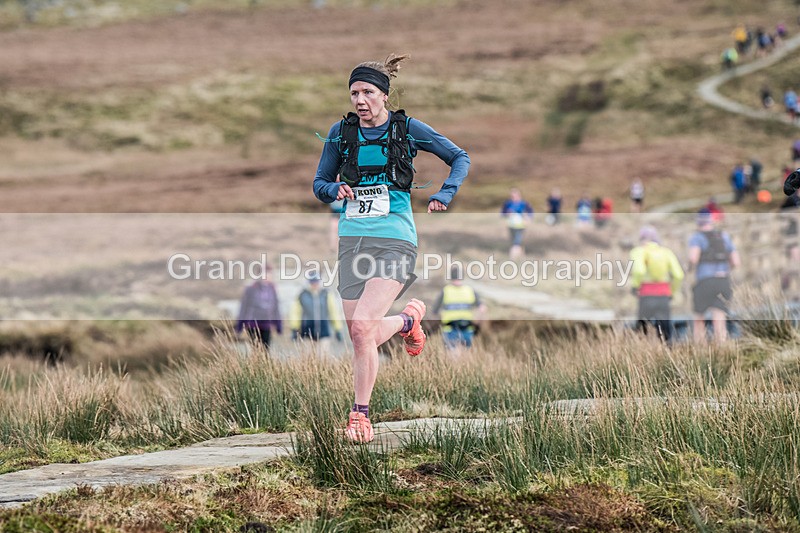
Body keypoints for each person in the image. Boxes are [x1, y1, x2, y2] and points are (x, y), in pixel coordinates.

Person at [313, 53, 470, 443]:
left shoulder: (408, 129)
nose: (360, 100)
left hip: (396, 239)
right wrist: (335, 189)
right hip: (352, 239)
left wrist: (445, 193)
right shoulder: (340, 133)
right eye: (354, 93)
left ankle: (360, 416)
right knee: (358, 333)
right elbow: (319, 183)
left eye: (367, 92)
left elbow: (459, 158)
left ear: (384, 94)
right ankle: (406, 322)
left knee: (364, 326)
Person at [687, 209, 740, 343]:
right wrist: (725, 269)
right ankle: (721, 346)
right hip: (723, 280)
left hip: (705, 281)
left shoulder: (697, 237)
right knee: (719, 316)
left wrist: (688, 268)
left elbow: (693, 258)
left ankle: (700, 347)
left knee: (699, 317)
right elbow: (736, 261)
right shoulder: (723, 236)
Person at [629, 226, 684, 343]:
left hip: (646, 295)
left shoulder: (639, 251)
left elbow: (639, 270)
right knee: (665, 331)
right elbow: (679, 275)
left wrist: (635, 287)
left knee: (643, 331)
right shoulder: (666, 252)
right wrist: (672, 292)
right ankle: (668, 353)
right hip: (664, 295)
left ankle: (642, 354)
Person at [432, 265, 487, 351]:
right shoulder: (446, 291)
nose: (457, 280)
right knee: (452, 355)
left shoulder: (470, 290)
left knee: (465, 356)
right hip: (450, 330)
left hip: (467, 330)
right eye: (455, 278)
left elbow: (482, 307)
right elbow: (434, 310)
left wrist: (478, 320)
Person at [289, 274, 344, 355]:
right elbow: (295, 312)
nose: (314, 284)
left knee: (323, 358)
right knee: (308, 358)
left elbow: (334, 312)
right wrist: (294, 328)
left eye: (316, 282)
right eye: (312, 282)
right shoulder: (302, 295)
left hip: (324, 332)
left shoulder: (326, 294)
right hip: (307, 333)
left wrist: (337, 329)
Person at [235, 264, 282, 350]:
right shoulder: (251, 289)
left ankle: (263, 363)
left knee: (265, 349)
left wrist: (278, 324)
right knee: (256, 349)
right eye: (267, 273)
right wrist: (239, 325)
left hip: (267, 324)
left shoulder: (272, 289)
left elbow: (276, 307)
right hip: (253, 323)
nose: (270, 276)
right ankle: (255, 362)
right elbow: (244, 307)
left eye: (270, 274)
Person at [501, 188, 534, 259]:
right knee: (514, 241)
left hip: (521, 225)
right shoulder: (507, 204)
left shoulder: (524, 204)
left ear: (519, 195)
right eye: (512, 196)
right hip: (511, 225)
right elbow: (502, 213)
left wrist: (528, 218)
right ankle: (521, 254)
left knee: (517, 241)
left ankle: (512, 258)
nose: (514, 198)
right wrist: (507, 214)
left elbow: (530, 212)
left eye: (516, 196)